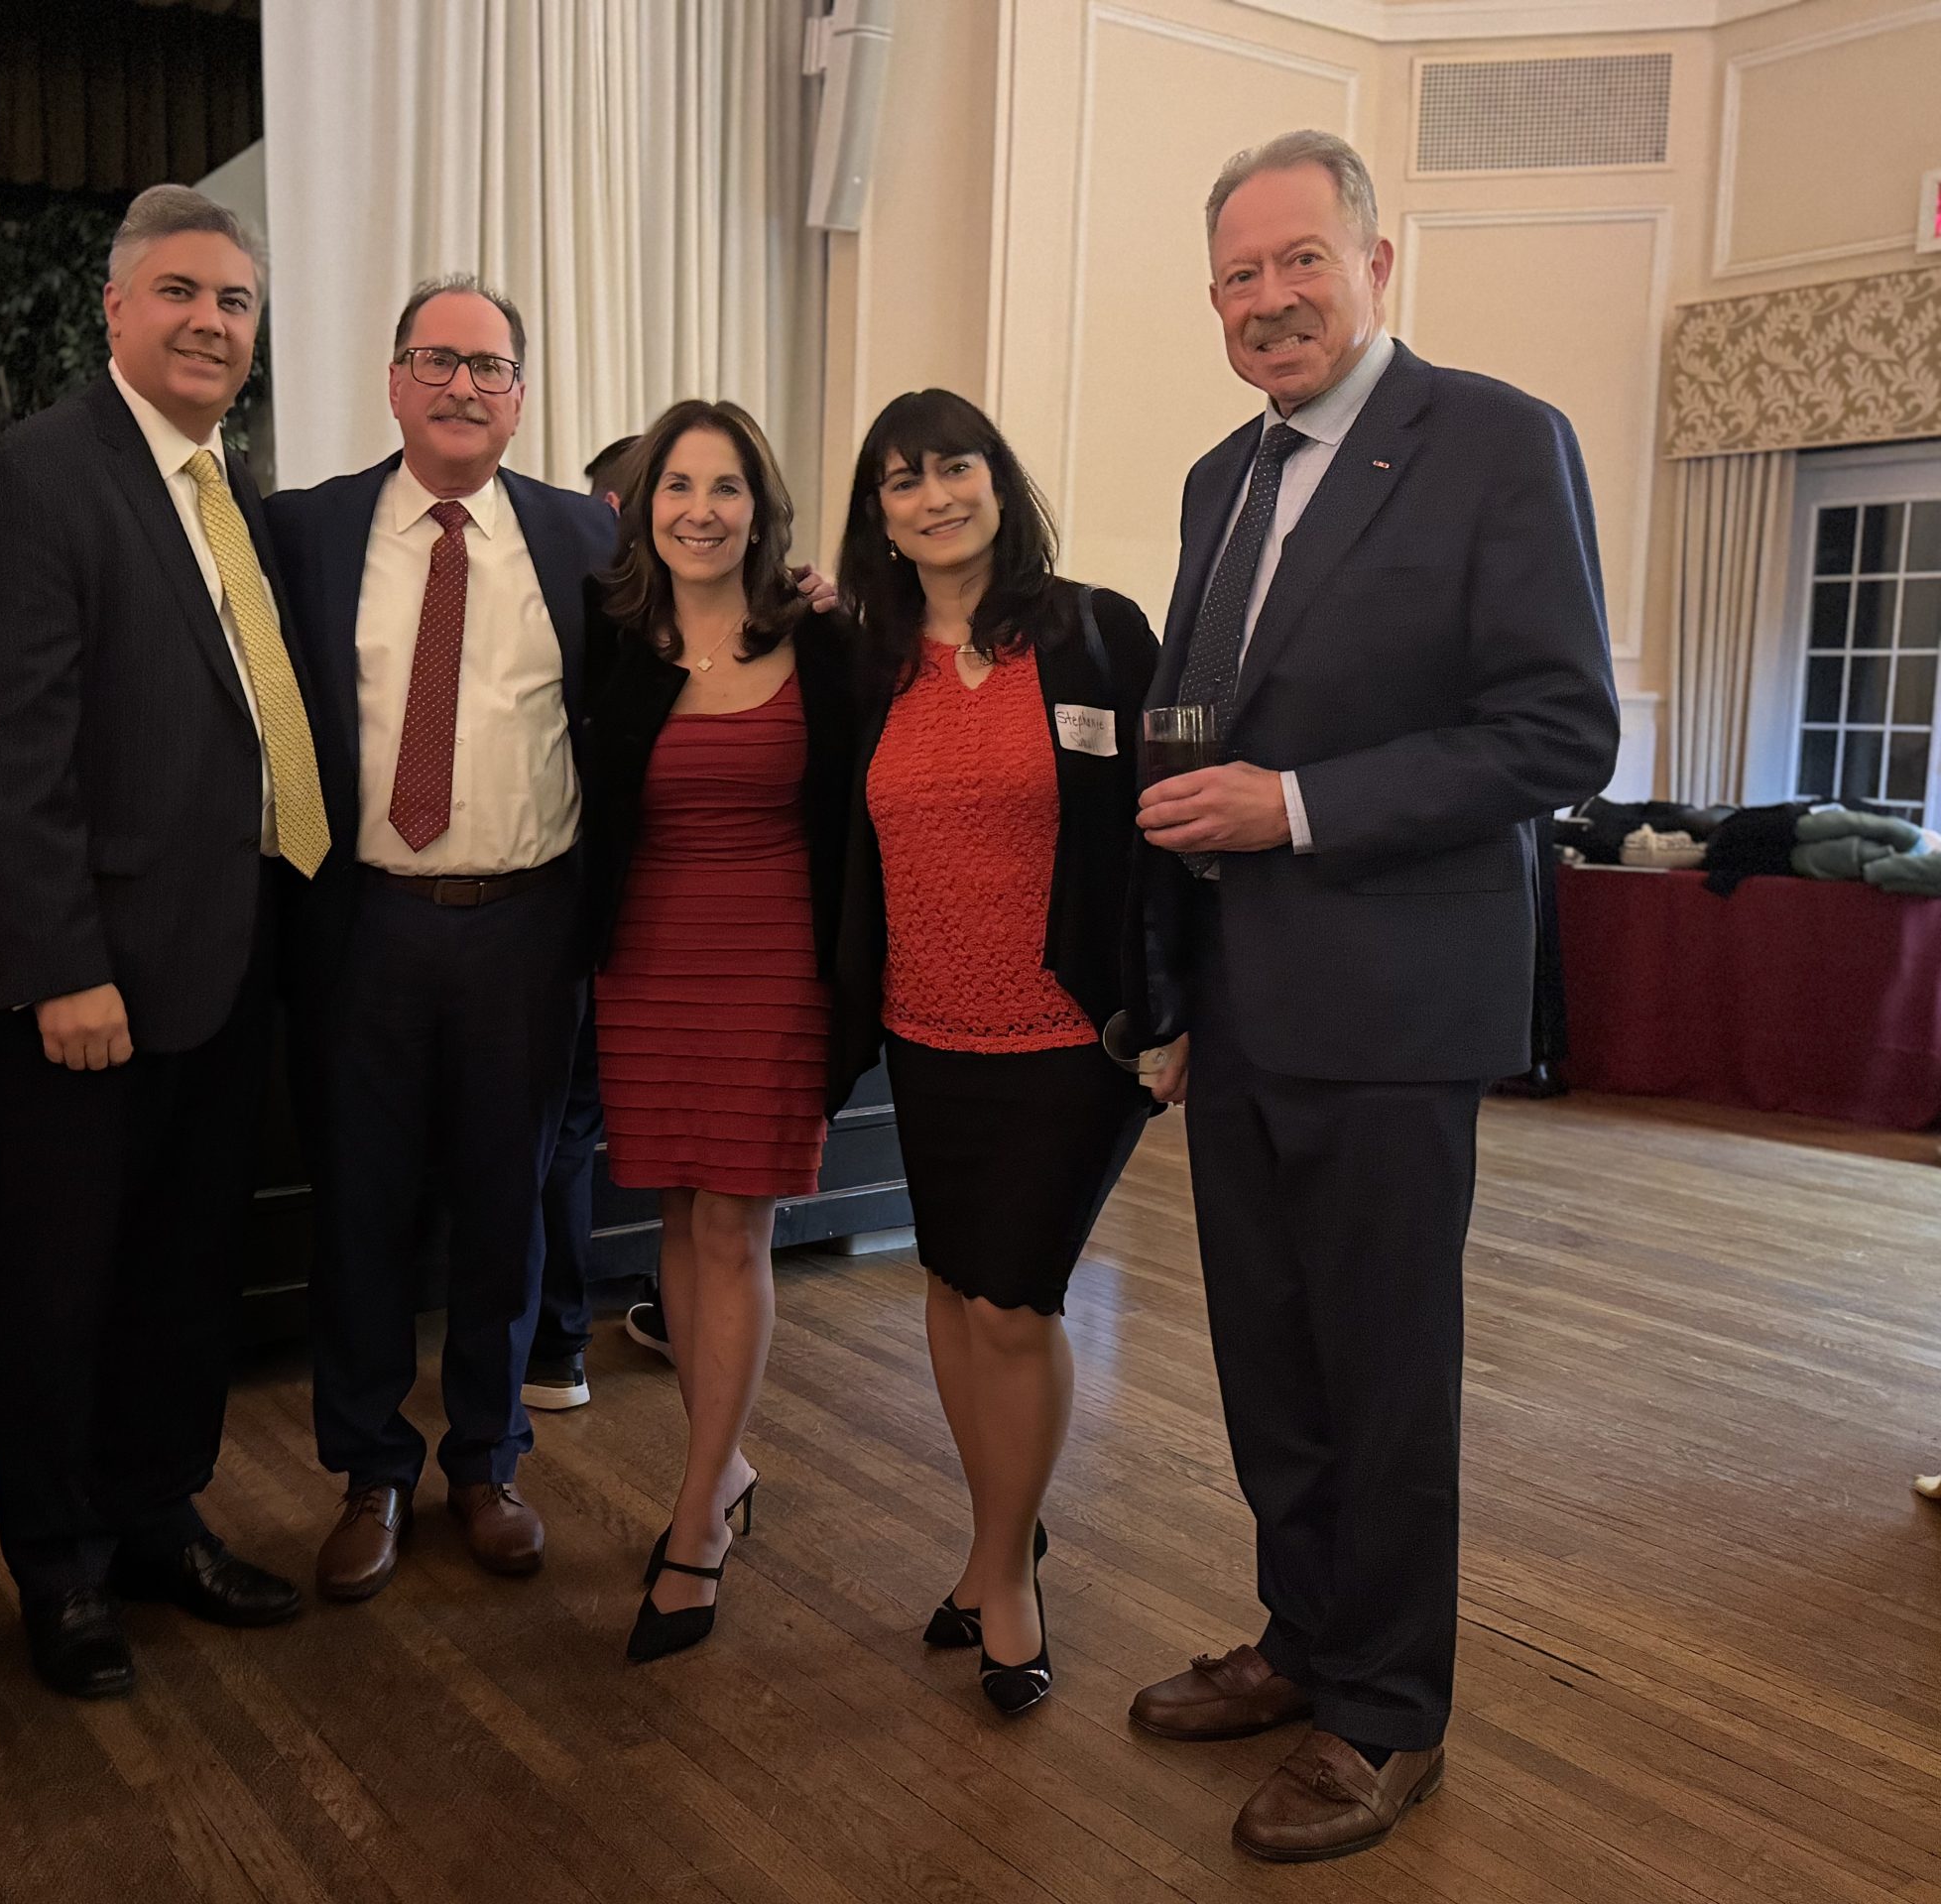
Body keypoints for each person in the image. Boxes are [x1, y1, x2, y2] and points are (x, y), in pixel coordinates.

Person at [1127, 131, 1618, 1860]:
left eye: (1300, 261)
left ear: (1376, 263)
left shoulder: (1495, 441)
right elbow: (1205, 718)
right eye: (1239, 276)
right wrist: (1174, 978)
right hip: (1243, 1002)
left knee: (1385, 1370)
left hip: (1399, 1006)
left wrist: (1298, 806)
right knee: (1271, 1364)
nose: (1270, 299)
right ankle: (1306, 1640)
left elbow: (1560, 731)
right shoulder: (1221, 477)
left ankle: (1391, 1712)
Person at [0, 185, 330, 1700]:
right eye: (179, 292)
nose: (209, 322)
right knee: (60, 1289)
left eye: (234, 302)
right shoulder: (37, 478)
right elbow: (11, 751)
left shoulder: (231, 491)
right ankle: (59, 1568)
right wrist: (59, 967)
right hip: (91, 984)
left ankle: (159, 1519)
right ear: (115, 309)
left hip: (226, 962)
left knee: (182, 1275)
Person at [264, 277, 616, 1600]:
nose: (464, 386)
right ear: (395, 381)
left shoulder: (587, 536)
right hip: (362, 926)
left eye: (490, 367)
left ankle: (486, 1460)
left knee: (505, 1212)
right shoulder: (306, 530)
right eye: (437, 360)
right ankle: (369, 1470)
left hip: (525, 928)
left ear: (521, 397)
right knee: (359, 1211)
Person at [829, 389, 1164, 1718]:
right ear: (878, 514)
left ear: (997, 479)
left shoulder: (1095, 632)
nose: (934, 497)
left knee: (1015, 1302)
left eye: (954, 467)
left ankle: (1012, 1576)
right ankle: (990, 1541)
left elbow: (1166, 830)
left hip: (1072, 1032)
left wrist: (1180, 1006)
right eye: (902, 480)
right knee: (956, 1283)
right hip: (923, 1030)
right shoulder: (865, 659)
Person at [580, 400, 865, 1659]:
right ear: (643, 506)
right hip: (644, 962)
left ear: (762, 510)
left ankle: (697, 1519)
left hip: (774, 966)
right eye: (678, 486)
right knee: (678, 1220)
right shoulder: (609, 638)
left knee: (734, 1224)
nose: (700, 510)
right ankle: (724, 1466)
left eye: (726, 487)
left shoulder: (822, 639)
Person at [519, 436, 651, 1413]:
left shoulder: (579, 608)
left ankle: (557, 1343)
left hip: (586, 912)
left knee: (563, 1127)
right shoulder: (707, 623)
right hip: (651, 920)